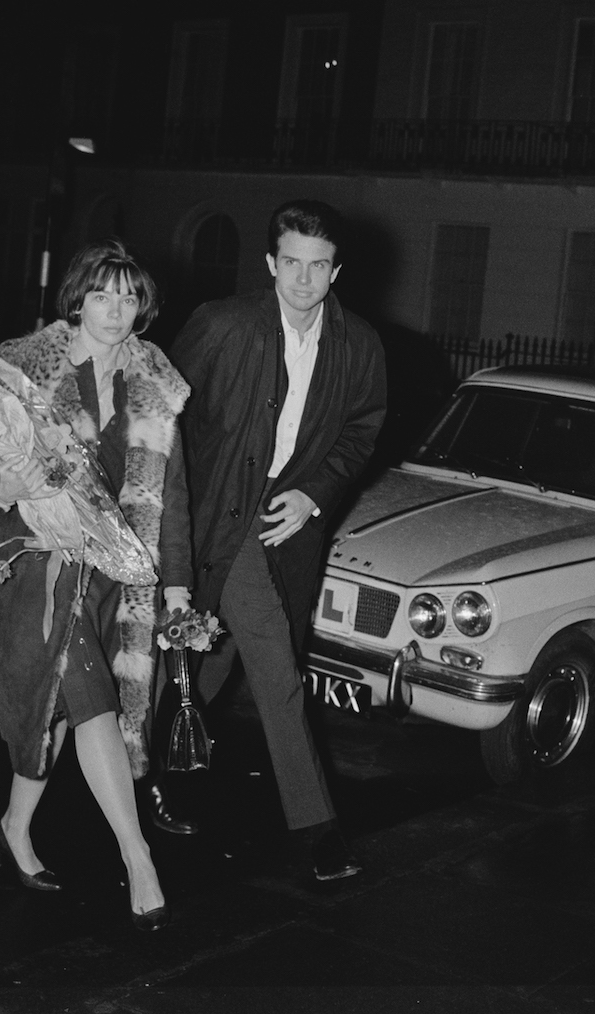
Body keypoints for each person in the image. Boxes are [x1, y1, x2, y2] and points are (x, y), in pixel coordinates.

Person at [168, 199, 387, 881]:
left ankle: (155, 772)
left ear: (336, 270)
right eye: (291, 263)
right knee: (275, 670)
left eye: (318, 266)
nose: (303, 280)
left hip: (281, 529)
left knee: (210, 658)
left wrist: (316, 492)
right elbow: (161, 413)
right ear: (270, 263)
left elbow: (362, 431)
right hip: (211, 520)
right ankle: (318, 827)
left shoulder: (359, 346)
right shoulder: (224, 325)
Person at [0, 238, 192, 930]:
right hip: (39, 562)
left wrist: (179, 587)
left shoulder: (155, 385)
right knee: (92, 696)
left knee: (59, 710)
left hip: (113, 572)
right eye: (102, 294)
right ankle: (139, 858)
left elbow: (174, 498)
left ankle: (14, 824)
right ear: (76, 299)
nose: (115, 309)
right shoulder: (23, 370)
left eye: (129, 296)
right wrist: (2, 480)